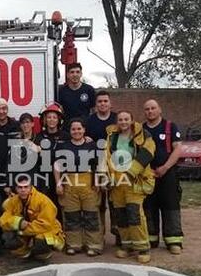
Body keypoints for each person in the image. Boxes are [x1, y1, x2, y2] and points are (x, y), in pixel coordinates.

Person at [105, 111, 156, 264]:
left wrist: (131, 172)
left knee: (135, 215)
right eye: (120, 119)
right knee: (121, 216)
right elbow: (107, 157)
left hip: (135, 180)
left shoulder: (144, 135)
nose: (123, 122)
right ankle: (127, 246)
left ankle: (142, 248)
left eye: (126, 119)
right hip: (117, 182)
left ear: (132, 120)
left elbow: (147, 153)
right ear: (117, 122)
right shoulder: (111, 137)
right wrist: (109, 177)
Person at [54, 118, 103, 256]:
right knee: (71, 215)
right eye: (73, 129)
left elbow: (98, 164)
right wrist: (58, 183)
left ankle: (94, 245)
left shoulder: (91, 145)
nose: (76, 131)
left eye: (79, 128)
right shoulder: (64, 146)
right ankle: (73, 244)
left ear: (84, 130)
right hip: (69, 182)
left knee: (91, 214)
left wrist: (98, 181)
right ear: (69, 131)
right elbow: (57, 166)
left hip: (88, 182)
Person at [143, 99, 184, 254]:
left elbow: (178, 149)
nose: (150, 111)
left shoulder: (170, 127)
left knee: (170, 206)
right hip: (147, 175)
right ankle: (151, 238)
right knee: (148, 206)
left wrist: (165, 167)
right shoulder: (141, 129)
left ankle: (174, 240)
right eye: (147, 109)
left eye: (153, 108)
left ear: (159, 110)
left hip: (168, 174)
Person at [85, 90, 121, 249]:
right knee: (98, 203)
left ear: (110, 103)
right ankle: (98, 237)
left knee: (116, 201)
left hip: (114, 166)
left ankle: (119, 234)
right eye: (100, 101)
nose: (103, 104)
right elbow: (81, 137)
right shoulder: (89, 121)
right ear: (95, 104)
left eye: (105, 101)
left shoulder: (117, 119)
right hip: (95, 166)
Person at [0, 175, 64, 261]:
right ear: (16, 189)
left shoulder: (43, 201)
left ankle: (44, 254)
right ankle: (25, 253)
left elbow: (45, 225)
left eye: (26, 187)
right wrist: (18, 222)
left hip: (45, 231)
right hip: (26, 231)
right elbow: (3, 220)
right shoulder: (13, 201)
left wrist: (23, 231)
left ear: (31, 187)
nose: (23, 190)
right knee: (8, 237)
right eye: (20, 187)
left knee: (41, 242)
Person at [34, 102, 69, 209]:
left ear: (59, 119)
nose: (52, 120)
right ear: (44, 119)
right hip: (44, 178)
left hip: (63, 177)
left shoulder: (66, 136)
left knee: (62, 207)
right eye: (49, 117)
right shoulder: (38, 137)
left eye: (54, 117)